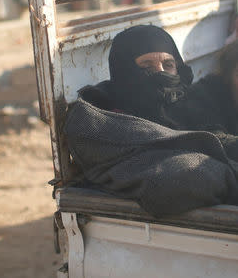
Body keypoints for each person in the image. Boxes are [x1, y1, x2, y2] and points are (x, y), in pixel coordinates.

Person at [65, 24, 238, 217]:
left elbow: (214, 136)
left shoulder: (190, 102)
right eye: (147, 66)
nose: (160, 74)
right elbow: (179, 176)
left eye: (168, 65)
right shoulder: (104, 118)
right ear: (124, 70)